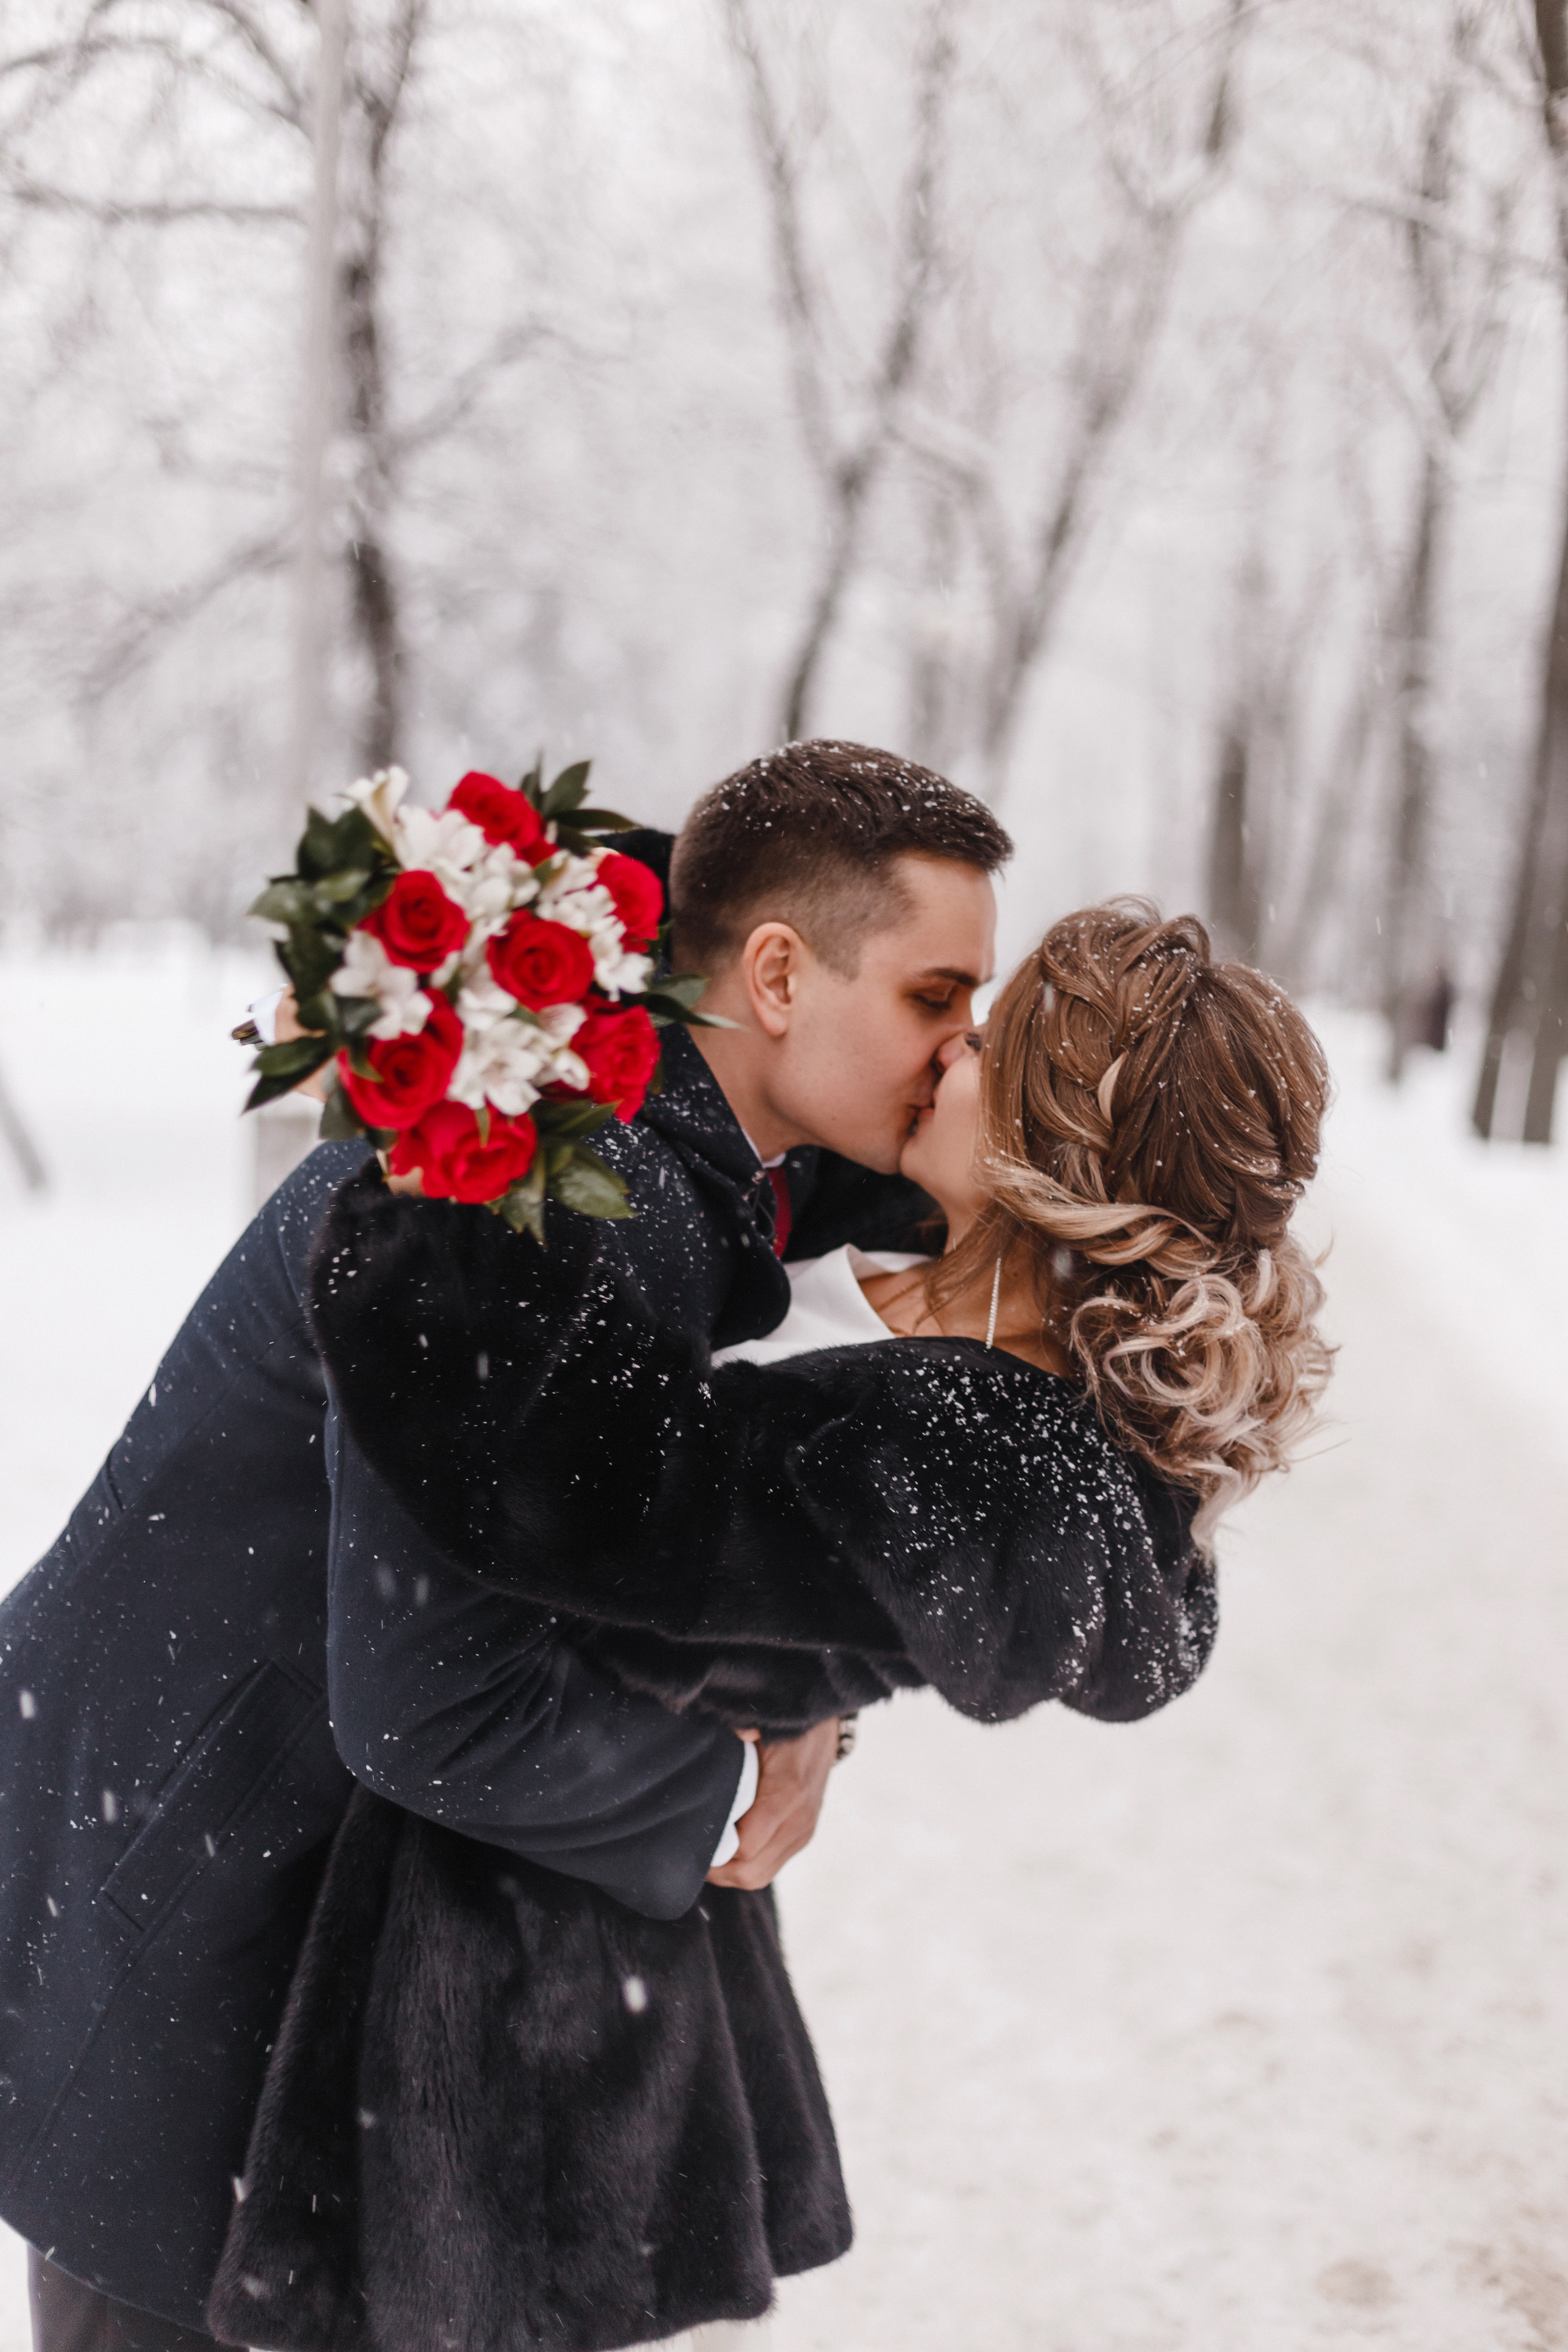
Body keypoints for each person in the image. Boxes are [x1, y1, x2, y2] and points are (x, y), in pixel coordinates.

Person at [0, 741, 1011, 2352]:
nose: (963, 1048)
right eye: (933, 998)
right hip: (183, 1902)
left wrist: (811, 1701)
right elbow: (439, 1707)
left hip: (174, 1839)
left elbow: (665, 1528)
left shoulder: (621, 1135)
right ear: (772, 974)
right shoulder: (553, 1192)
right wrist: (738, 1778)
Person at [228, 901, 1331, 2352]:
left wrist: (425, 1149)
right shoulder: (1020, 1410)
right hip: (577, 1961)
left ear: (1045, 1153)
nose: (948, 1048)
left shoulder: (966, 1437)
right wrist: (809, 1702)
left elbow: (565, 1474)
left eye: (985, 1041)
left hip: (513, 2017)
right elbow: (769, 1598)